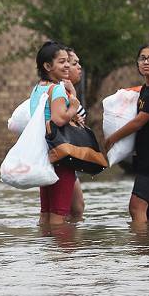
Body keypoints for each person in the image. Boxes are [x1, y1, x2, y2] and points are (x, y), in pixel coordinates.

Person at [104, 44, 149, 223]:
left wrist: (112, 139)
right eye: (142, 58)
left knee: (136, 206)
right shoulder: (146, 89)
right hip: (147, 154)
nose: (146, 62)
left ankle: (141, 249)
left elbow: (139, 121)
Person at [28, 41, 80, 226]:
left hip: (45, 153)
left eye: (68, 61)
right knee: (58, 214)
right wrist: (73, 105)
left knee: (46, 212)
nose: (67, 65)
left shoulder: (37, 88)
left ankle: (46, 251)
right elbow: (59, 119)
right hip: (60, 154)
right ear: (48, 66)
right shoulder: (56, 88)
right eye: (61, 62)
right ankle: (62, 254)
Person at [65, 47, 86, 220]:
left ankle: (72, 244)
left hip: (70, 157)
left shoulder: (69, 91)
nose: (79, 67)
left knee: (76, 209)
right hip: (62, 157)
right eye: (75, 63)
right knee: (71, 210)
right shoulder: (61, 92)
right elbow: (59, 120)